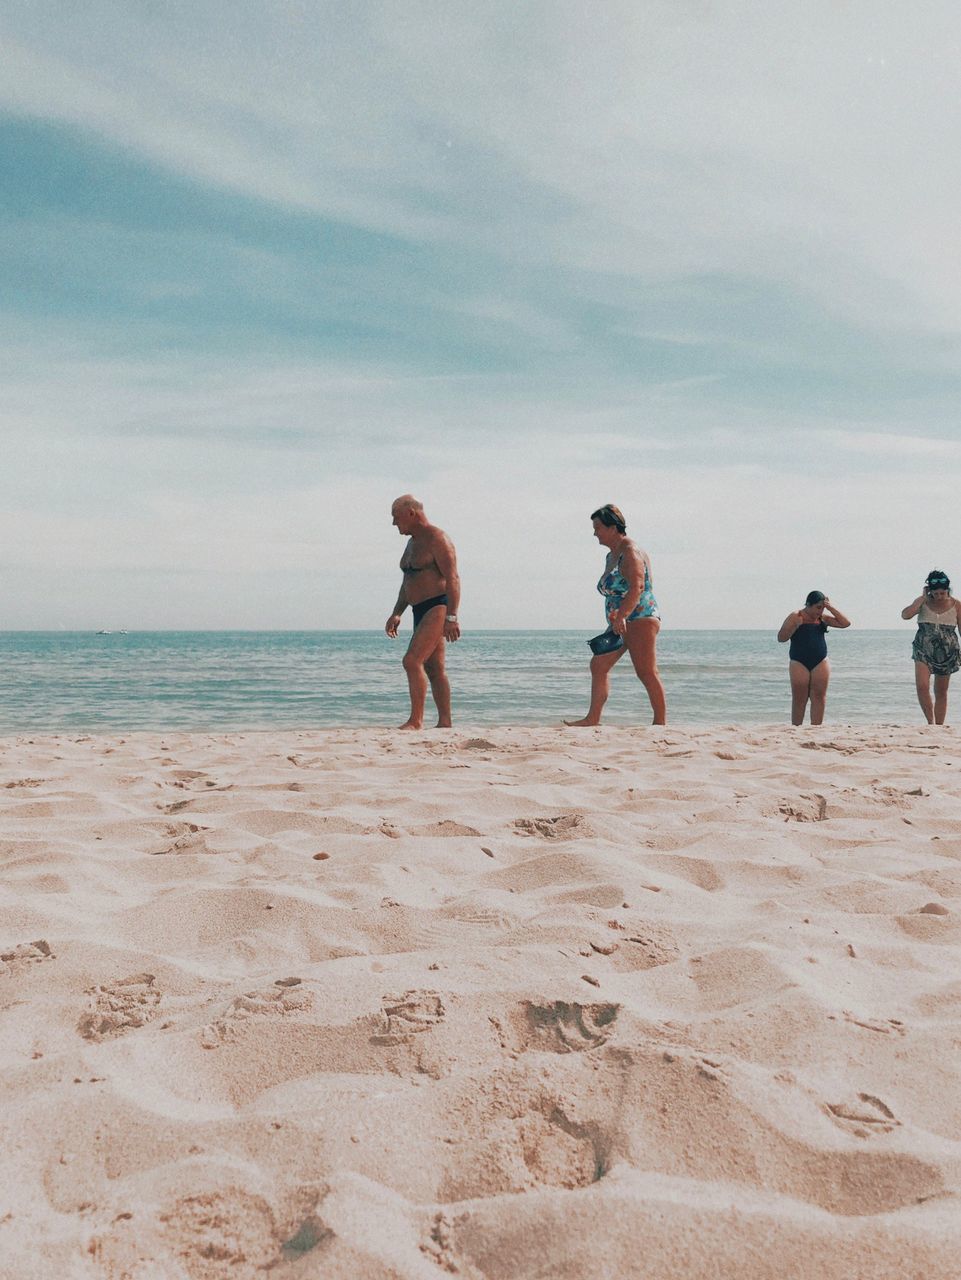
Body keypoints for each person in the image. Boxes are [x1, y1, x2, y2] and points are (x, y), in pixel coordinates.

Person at [566, 503, 667, 726]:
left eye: (598, 528)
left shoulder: (630, 552)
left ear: (612, 528)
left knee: (646, 672)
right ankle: (593, 719)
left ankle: (660, 724)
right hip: (622, 621)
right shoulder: (612, 555)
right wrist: (619, 619)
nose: (595, 533)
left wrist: (621, 616)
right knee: (599, 665)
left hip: (639, 618)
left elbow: (637, 587)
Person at [385, 495, 461, 729]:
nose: (394, 523)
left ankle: (416, 721)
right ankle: (445, 723)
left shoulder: (437, 539)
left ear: (411, 513)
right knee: (434, 669)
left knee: (411, 660)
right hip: (418, 609)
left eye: (395, 517)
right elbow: (408, 581)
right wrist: (398, 612)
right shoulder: (411, 543)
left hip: (437, 606)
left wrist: (452, 616)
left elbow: (453, 578)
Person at [777, 591, 851, 725]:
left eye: (822, 607)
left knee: (819, 696)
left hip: (820, 660)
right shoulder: (796, 616)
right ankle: (796, 727)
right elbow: (781, 638)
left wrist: (831, 608)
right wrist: (795, 626)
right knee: (800, 697)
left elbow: (845, 623)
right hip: (798, 660)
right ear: (809, 604)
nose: (820, 610)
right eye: (818, 607)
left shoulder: (823, 618)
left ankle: (816, 728)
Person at [901, 569, 961, 724]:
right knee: (922, 686)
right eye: (936, 593)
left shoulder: (957, 605)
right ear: (930, 590)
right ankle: (930, 722)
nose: (939, 596)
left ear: (947, 590)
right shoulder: (922, 602)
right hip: (923, 648)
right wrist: (922, 598)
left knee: (941, 691)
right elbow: (905, 615)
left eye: (943, 593)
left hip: (947, 651)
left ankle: (939, 726)